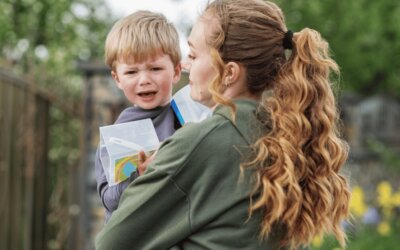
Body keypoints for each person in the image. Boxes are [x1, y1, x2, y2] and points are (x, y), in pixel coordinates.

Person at [95, 0, 350, 249]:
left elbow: (111, 242)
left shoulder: (200, 142)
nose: (185, 65)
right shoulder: (285, 136)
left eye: (193, 55)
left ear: (229, 73)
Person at [95, 10, 182, 222]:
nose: (144, 79)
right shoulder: (120, 133)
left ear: (177, 71)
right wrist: (138, 176)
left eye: (155, 68)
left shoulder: (189, 116)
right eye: (131, 72)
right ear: (117, 79)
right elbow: (110, 200)